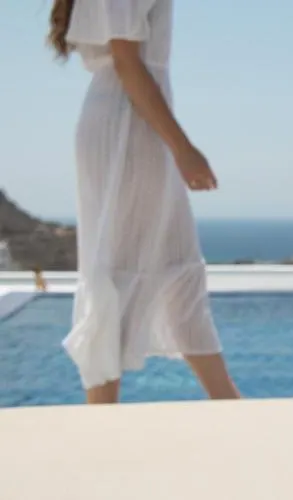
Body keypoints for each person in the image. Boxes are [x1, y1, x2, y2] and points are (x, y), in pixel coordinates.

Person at [47, 0, 240, 404]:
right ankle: (100, 414)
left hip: (134, 121)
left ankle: (229, 403)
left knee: (180, 264)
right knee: (117, 269)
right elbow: (127, 63)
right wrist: (183, 148)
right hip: (127, 127)